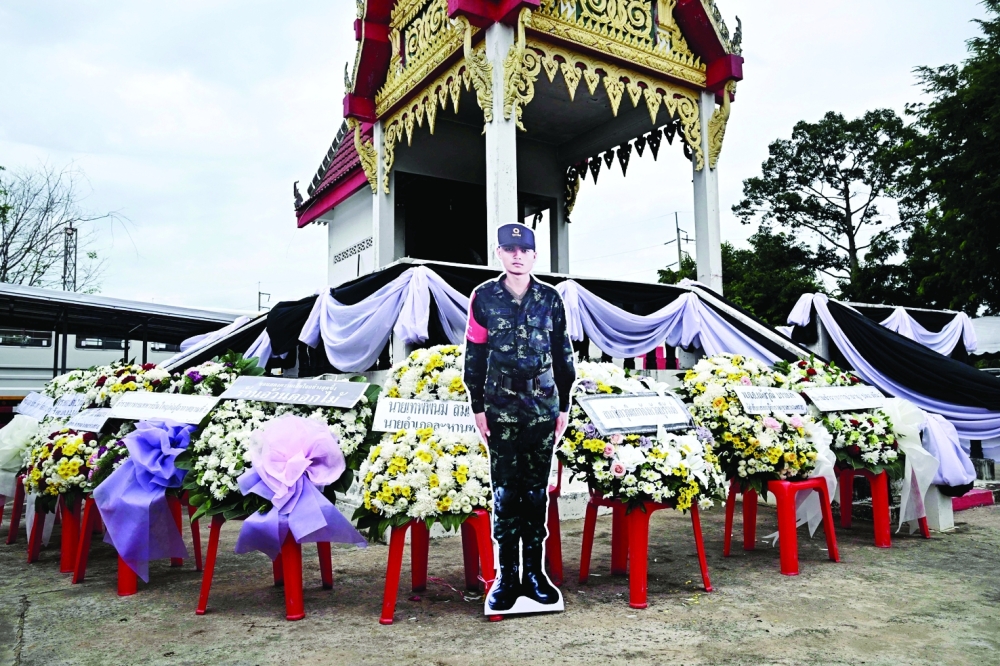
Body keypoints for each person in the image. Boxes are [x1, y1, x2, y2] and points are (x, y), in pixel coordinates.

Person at [464, 223, 576, 613]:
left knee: (535, 492)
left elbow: (563, 355)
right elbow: (475, 354)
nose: (516, 256)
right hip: (501, 407)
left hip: (543, 405)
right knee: (506, 493)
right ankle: (507, 577)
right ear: (499, 253)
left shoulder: (550, 299)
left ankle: (535, 574)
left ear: (532, 256)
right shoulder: (483, 298)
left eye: (523, 250)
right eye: (509, 249)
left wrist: (564, 407)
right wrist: (477, 407)